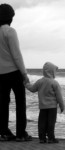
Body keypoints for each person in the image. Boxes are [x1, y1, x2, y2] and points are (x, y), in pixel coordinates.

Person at [0, 4, 32, 141]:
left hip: (0, 74)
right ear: (10, 17)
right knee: (20, 102)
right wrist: (24, 73)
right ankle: (20, 134)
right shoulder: (10, 31)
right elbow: (16, 55)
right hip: (14, 72)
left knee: (2, 103)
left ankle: (4, 132)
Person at [25, 62, 64, 143]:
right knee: (51, 123)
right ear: (52, 72)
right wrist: (61, 105)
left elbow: (32, 89)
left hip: (42, 107)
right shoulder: (54, 82)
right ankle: (51, 138)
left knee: (42, 123)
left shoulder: (40, 81)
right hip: (52, 107)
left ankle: (42, 138)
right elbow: (59, 96)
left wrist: (26, 84)